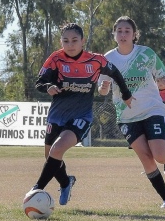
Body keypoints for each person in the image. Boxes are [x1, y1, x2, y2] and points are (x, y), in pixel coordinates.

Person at [23, 23, 134, 206]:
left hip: (81, 116)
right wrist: (48, 87)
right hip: (56, 116)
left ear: (83, 41)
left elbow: (116, 73)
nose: (70, 44)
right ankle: (66, 182)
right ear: (61, 42)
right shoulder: (56, 59)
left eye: (75, 40)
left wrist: (126, 94)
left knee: (56, 150)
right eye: (66, 41)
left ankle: (36, 189)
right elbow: (39, 82)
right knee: (50, 156)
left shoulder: (95, 61)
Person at [98, 16, 165, 209]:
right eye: (119, 31)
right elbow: (102, 90)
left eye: (127, 31)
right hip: (126, 117)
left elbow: (162, 75)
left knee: (160, 156)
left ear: (134, 34)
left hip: (152, 110)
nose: (123, 34)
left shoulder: (146, 54)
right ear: (114, 34)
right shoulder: (108, 59)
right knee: (146, 158)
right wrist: (104, 87)